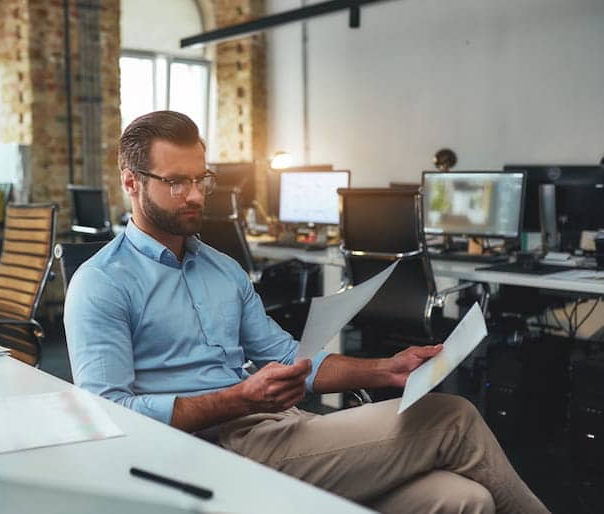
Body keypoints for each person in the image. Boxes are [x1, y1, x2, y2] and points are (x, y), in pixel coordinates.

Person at [64, 111, 549, 514]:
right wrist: (241, 398)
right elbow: (107, 412)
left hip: (276, 430)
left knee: (465, 499)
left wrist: (386, 368)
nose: (194, 195)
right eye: (175, 182)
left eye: (201, 179)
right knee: (452, 418)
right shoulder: (102, 283)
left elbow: (290, 355)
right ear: (131, 182)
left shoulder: (222, 268)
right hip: (207, 451)